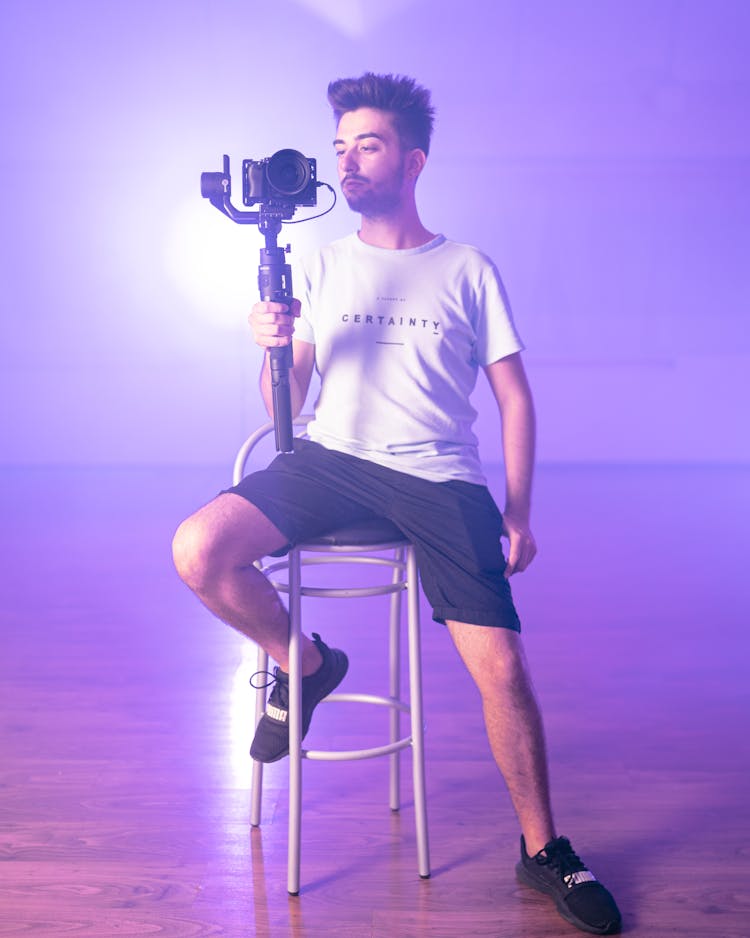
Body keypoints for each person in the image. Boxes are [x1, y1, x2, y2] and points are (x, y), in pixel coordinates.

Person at [172, 72, 621, 936]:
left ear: (413, 161)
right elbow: (286, 403)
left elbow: (514, 397)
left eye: (367, 145)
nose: (348, 162)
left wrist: (519, 511)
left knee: (503, 668)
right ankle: (303, 665)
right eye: (340, 147)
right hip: (332, 461)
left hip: (441, 478)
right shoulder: (319, 260)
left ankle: (543, 850)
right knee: (199, 549)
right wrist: (271, 345)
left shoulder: (466, 268)